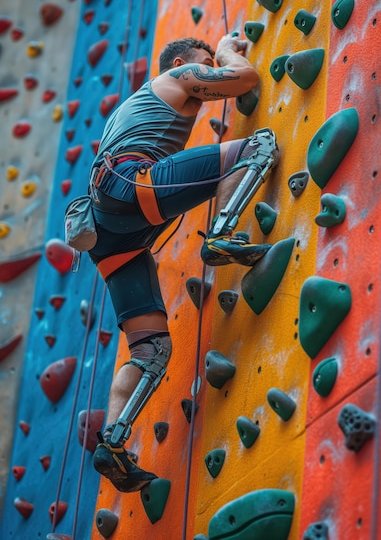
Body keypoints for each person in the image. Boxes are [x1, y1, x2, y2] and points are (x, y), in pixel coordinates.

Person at [88, 34, 279, 492]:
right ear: (180, 62)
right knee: (260, 146)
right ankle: (222, 234)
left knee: (151, 350)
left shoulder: (127, 110)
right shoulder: (176, 76)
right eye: (204, 61)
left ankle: (112, 441)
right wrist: (228, 49)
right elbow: (243, 78)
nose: (208, 66)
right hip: (132, 185)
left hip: (106, 231)